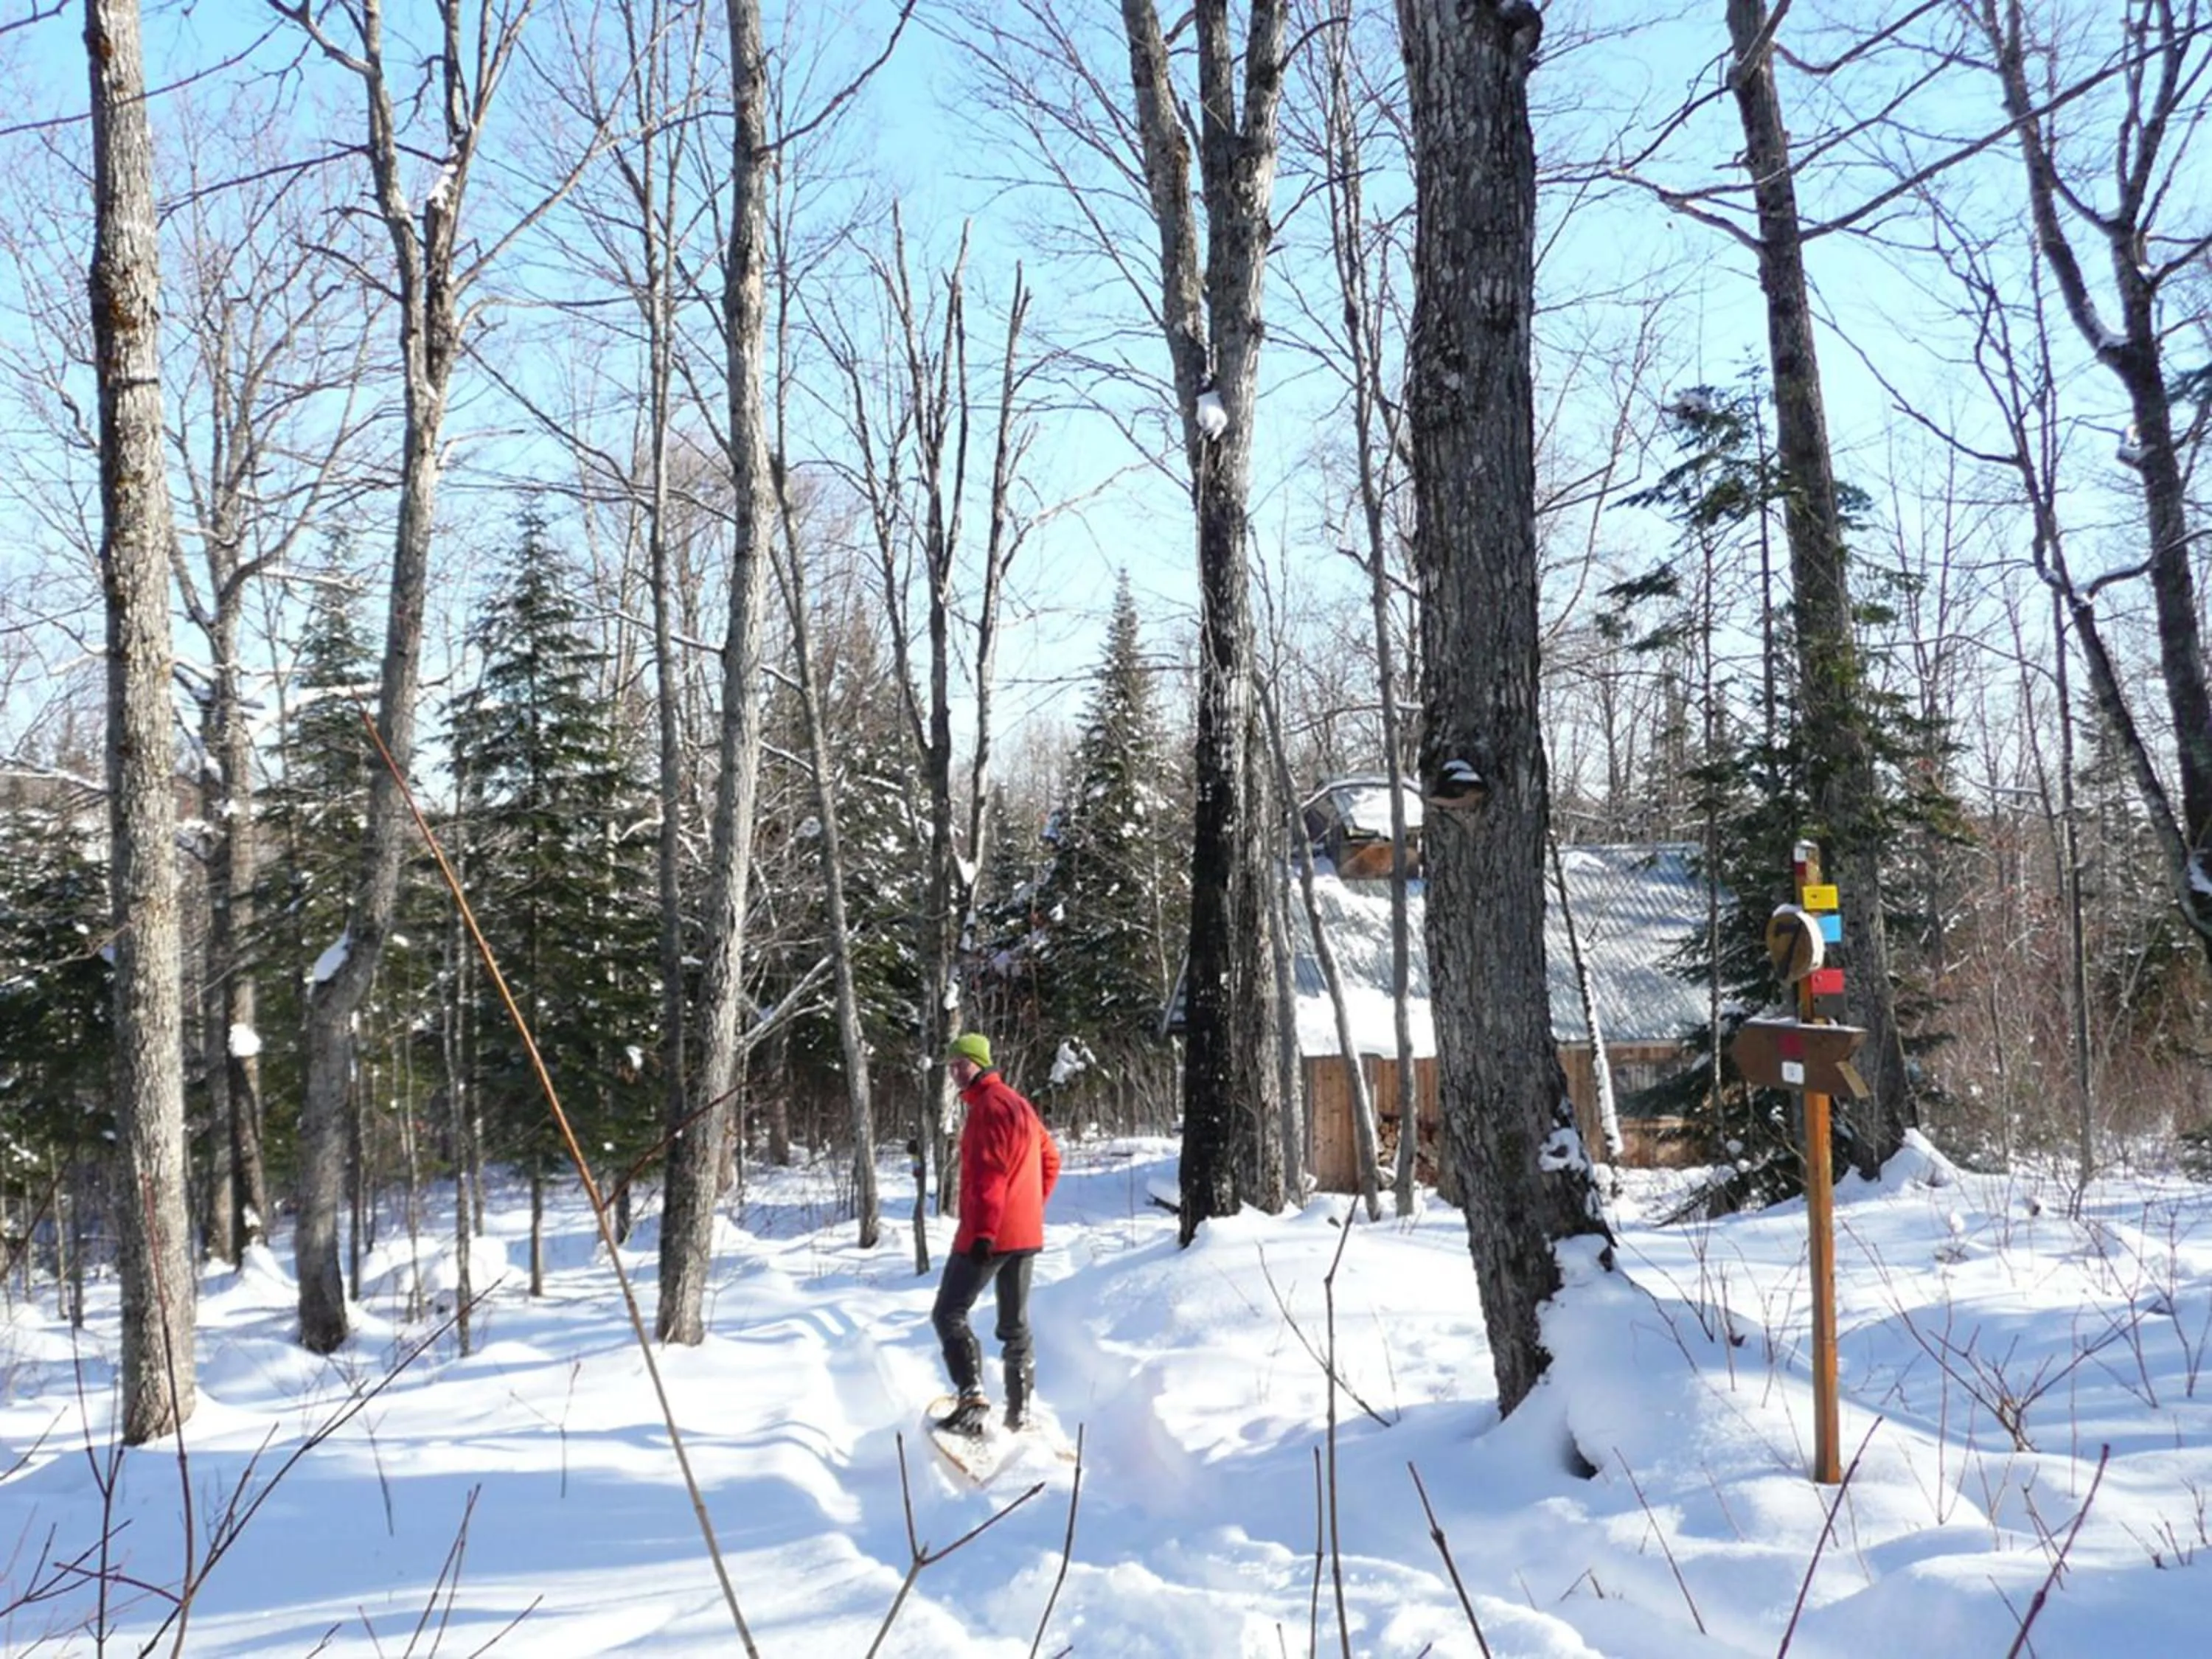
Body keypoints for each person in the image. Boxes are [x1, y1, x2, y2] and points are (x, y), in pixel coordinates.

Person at [931, 1030, 1060, 1436]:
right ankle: (1018, 1415)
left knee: (948, 1312)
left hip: (988, 1234)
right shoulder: (1020, 1105)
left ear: (981, 1063)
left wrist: (986, 1230)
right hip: (1023, 1233)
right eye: (950, 1065)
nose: (954, 1072)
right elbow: (1051, 1159)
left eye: (961, 1063)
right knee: (1015, 1326)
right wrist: (1029, 1207)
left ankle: (972, 1400)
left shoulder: (988, 1107)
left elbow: (990, 1176)